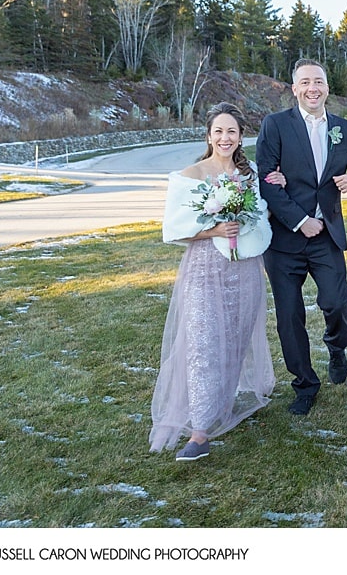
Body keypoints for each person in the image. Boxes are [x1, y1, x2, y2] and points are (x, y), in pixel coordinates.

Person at [150, 102, 276, 461]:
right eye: (219, 131)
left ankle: (221, 402)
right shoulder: (191, 175)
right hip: (205, 269)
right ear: (209, 136)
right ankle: (200, 432)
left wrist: (247, 227)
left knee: (235, 339)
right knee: (203, 342)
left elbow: (260, 218)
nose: (225, 138)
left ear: (240, 137)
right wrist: (214, 229)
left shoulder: (247, 176)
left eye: (232, 131)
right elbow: (173, 229)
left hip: (244, 268)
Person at [256, 58, 347, 416]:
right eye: (305, 82)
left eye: (318, 81)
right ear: (294, 89)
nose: (312, 88)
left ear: (326, 87)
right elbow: (265, 180)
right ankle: (304, 383)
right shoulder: (275, 125)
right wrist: (299, 220)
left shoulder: (344, 129)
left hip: (326, 234)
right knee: (289, 316)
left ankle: (337, 348)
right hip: (284, 239)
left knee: (337, 302)